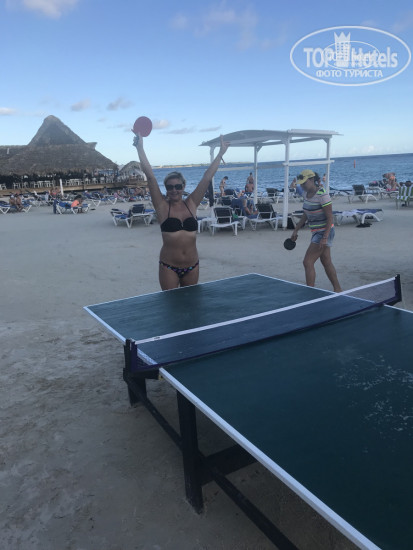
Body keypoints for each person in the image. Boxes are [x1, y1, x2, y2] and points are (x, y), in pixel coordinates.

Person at [134, 134, 230, 290]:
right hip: (169, 266)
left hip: (192, 265)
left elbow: (207, 178)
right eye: (170, 187)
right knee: (171, 303)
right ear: (166, 188)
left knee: (189, 302)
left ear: (183, 187)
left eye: (178, 186)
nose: (174, 190)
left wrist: (220, 154)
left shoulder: (191, 203)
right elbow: (150, 177)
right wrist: (140, 148)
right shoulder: (162, 207)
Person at [290, 169, 342, 293]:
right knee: (326, 261)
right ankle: (338, 289)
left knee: (307, 262)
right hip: (315, 231)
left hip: (324, 231)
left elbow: (330, 217)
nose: (302, 185)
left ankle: (310, 293)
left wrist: (325, 237)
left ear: (312, 179)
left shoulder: (322, 195)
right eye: (301, 183)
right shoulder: (305, 194)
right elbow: (306, 214)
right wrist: (296, 230)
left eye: (304, 183)